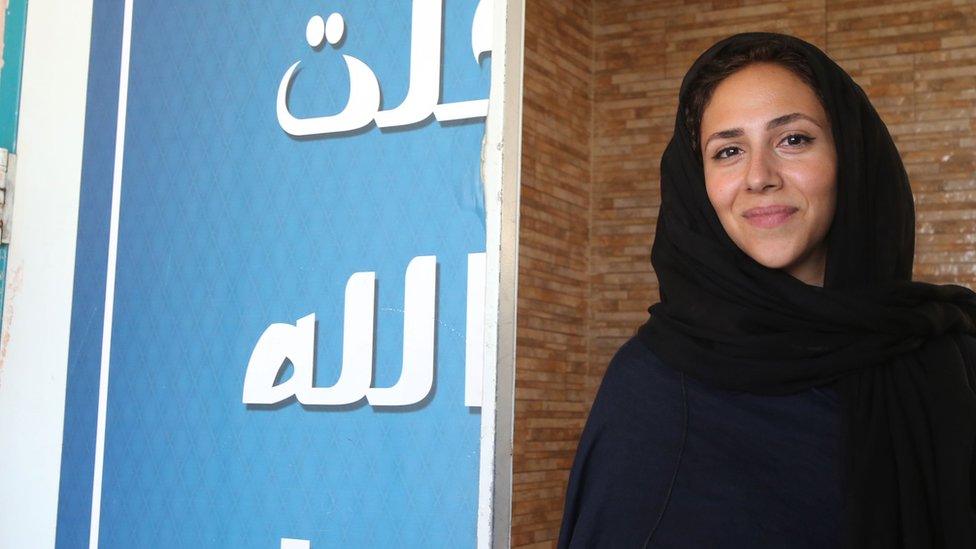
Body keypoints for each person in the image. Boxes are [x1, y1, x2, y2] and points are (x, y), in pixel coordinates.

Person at [557, 32, 976, 548]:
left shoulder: (948, 356)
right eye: (728, 151)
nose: (759, 176)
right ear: (698, 183)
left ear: (850, 155)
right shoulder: (652, 391)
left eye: (793, 139)